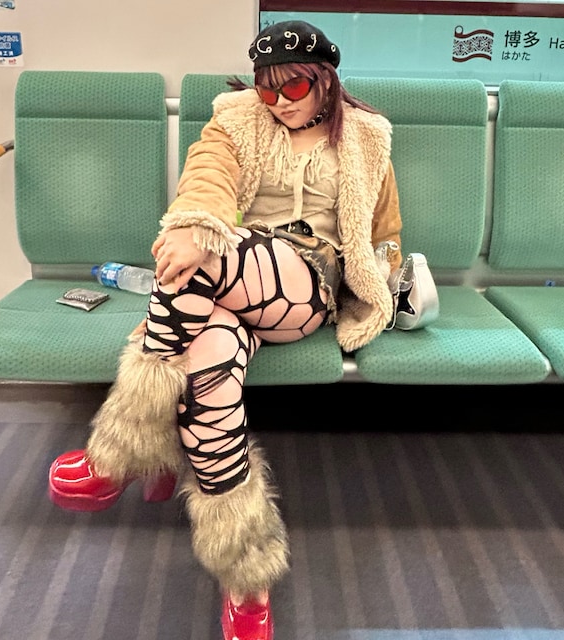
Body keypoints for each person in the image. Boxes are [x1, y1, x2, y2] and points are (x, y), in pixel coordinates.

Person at [48, 19, 403, 640]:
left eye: (292, 88)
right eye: (266, 89)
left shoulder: (367, 138)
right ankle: (247, 579)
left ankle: (125, 447)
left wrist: (383, 279)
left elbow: (383, 234)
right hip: (231, 280)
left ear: (324, 80)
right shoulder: (235, 120)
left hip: (305, 282)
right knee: (208, 376)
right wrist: (196, 222)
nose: (278, 102)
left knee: (199, 257)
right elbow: (207, 177)